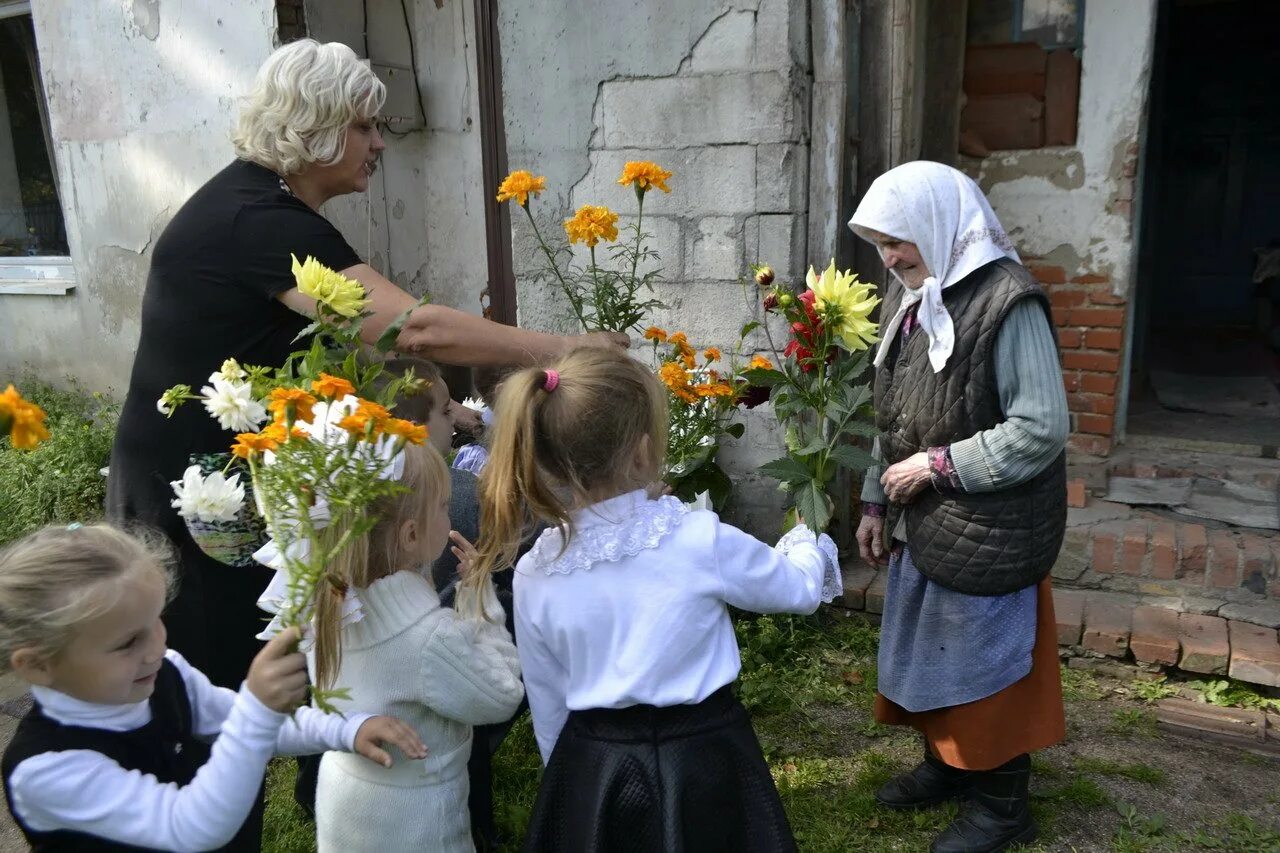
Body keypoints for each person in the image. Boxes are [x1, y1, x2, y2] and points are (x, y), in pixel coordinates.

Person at [105, 38, 625, 693]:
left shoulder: (261, 208)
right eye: (362, 126)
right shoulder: (260, 222)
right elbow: (415, 328)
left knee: (256, 681)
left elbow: (353, 343)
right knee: (207, 697)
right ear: (311, 124)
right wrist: (565, 348)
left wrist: (450, 410)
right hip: (193, 500)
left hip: (217, 480)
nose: (379, 143)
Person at [468, 348, 843, 852]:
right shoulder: (695, 538)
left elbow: (549, 701)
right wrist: (809, 540)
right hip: (706, 759)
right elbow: (795, 590)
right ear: (643, 452)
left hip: (595, 765)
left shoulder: (538, 571)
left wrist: (572, 792)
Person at [848, 160, 1069, 853]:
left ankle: (1004, 806)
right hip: (932, 524)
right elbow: (895, 416)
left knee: (984, 665)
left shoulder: (1009, 301)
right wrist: (873, 503)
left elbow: (1040, 427)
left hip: (990, 525)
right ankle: (948, 766)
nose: (888, 257)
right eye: (880, 242)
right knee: (931, 652)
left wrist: (940, 467)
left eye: (898, 239)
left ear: (939, 223)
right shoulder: (915, 294)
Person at [0, 523, 426, 852]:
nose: (155, 648)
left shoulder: (165, 671)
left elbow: (235, 720)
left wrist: (345, 730)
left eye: (156, 621)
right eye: (128, 642)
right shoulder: (46, 770)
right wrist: (258, 712)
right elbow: (187, 827)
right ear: (38, 665)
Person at [275, 441, 524, 852]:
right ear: (411, 535)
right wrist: (479, 600)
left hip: (345, 805)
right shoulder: (428, 638)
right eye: (444, 506)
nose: (450, 514)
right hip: (418, 825)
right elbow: (501, 695)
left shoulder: (324, 605)